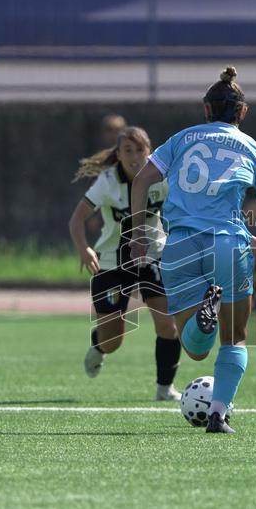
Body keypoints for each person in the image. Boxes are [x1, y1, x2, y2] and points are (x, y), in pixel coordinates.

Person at [128, 66, 256, 434]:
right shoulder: (252, 147)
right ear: (242, 112)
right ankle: (218, 415)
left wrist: (138, 234)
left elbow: (141, 181)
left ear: (206, 109)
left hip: (179, 245)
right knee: (235, 337)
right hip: (228, 244)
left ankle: (204, 315)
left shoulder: (181, 139)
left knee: (195, 349)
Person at [68, 125, 183, 402]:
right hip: (112, 262)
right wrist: (84, 248)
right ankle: (99, 345)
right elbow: (77, 219)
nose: (134, 156)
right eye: (127, 151)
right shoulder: (108, 181)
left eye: (139, 150)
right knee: (113, 340)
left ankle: (164, 388)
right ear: (118, 155)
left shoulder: (162, 177)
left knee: (168, 325)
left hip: (153, 256)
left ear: (150, 151)